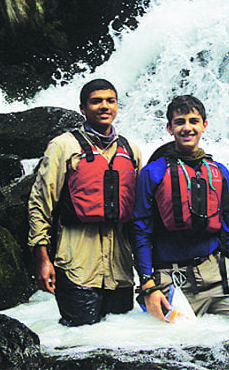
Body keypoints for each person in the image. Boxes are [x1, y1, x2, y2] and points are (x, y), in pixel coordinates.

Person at [132, 94, 229, 325]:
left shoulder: (219, 172)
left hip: (218, 274)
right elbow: (141, 231)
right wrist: (148, 285)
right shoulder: (152, 173)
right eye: (180, 122)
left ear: (204, 125)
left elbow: (228, 227)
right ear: (169, 128)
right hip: (171, 278)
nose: (187, 128)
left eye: (193, 121)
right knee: (176, 347)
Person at [28, 78, 142, 326]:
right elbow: (41, 203)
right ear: (82, 108)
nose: (104, 106)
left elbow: (140, 216)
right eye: (96, 101)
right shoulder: (63, 146)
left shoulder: (131, 151)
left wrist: (147, 272)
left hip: (120, 270)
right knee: (79, 343)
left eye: (110, 101)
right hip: (77, 267)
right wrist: (42, 258)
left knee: (121, 344)